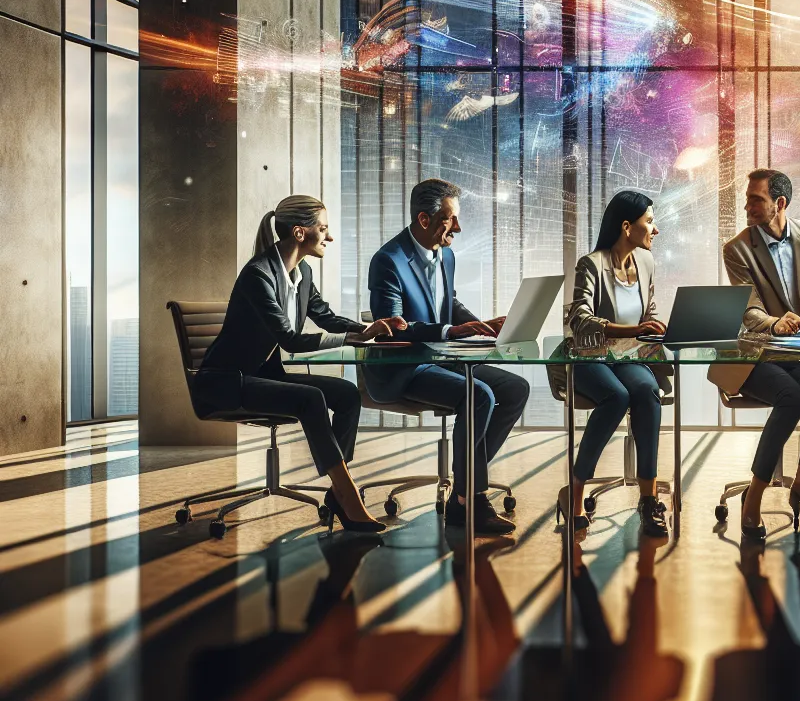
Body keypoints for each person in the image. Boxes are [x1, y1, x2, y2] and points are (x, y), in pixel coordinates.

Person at [192, 195, 407, 534]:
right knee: (311, 400)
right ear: (299, 232)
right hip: (225, 382)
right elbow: (291, 339)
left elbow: (326, 317)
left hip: (262, 377)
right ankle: (348, 497)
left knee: (348, 394)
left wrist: (368, 329)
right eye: (323, 228)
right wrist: (353, 340)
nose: (330, 237)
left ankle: (338, 488)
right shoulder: (257, 275)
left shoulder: (302, 272)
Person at [365, 178, 530, 535]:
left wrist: (479, 325)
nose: (457, 227)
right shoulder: (388, 261)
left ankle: (464, 488)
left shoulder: (446, 254)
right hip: (403, 367)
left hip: (441, 359)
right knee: (478, 395)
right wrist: (447, 332)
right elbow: (392, 327)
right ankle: (471, 498)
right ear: (424, 220)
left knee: (516, 389)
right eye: (450, 219)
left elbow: (448, 304)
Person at [709, 168, 800, 542]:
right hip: (753, 353)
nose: (747, 206)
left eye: (755, 200)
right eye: (748, 199)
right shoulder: (738, 248)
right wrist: (775, 323)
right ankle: (753, 496)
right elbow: (749, 310)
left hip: (796, 350)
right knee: (792, 397)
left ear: (780, 203)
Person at [562, 189, 673, 539]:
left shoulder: (647, 263)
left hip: (628, 356)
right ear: (627, 227)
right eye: (649, 222)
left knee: (646, 390)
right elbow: (579, 320)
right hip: (589, 356)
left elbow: (649, 313)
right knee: (616, 396)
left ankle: (648, 499)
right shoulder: (591, 264)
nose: (655, 231)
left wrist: (656, 329)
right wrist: (633, 328)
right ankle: (575, 490)